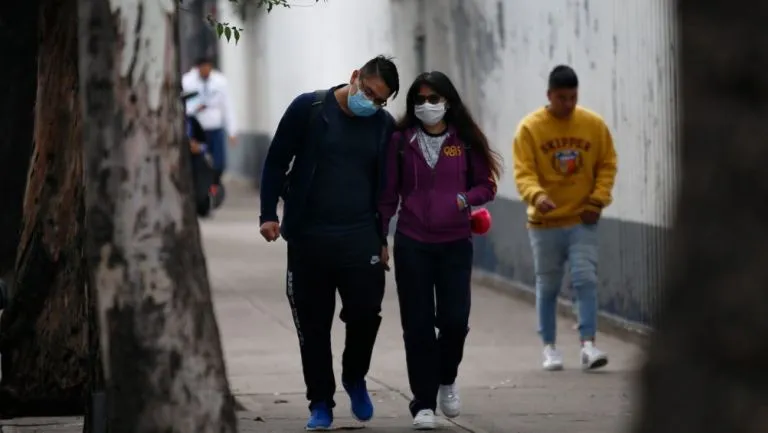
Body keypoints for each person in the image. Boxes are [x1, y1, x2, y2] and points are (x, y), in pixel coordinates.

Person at [258, 55, 399, 431]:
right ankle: (320, 401)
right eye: (368, 93)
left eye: (379, 100)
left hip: (360, 237)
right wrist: (268, 214)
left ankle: (355, 376)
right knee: (313, 325)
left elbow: (386, 186)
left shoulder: (382, 126)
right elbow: (275, 161)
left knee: (366, 314)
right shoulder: (310, 108)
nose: (370, 103)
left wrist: (382, 235)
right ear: (354, 77)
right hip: (309, 238)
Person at [379, 71, 502, 429]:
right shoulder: (401, 142)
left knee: (454, 322)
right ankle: (423, 404)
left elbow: (487, 186)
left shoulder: (463, 142)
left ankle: (447, 377)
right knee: (416, 327)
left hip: (454, 244)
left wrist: (465, 199)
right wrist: (380, 238)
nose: (427, 105)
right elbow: (387, 194)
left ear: (448, 101)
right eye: (420, 99)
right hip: (412, 242)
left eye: (434, 99)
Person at [512, 65, 618, 371]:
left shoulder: (593, 125)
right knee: (548, 285)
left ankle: (588, 345)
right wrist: (536, 195)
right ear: (549, 95)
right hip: (544, 224)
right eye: (562, 98)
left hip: (581, 219)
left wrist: (598, 200)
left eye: (573, 97)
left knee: (585, 278)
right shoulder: (530, 129)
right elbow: (524, 171)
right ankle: (550, 347)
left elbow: (607, 163)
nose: (568, 104)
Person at [181, 56, 237, 190]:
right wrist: (195, 108)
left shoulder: (220, 82)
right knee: (199, 161)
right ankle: (200, 188)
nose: (206, 71)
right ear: (197, 68)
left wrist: (232, 130)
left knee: (219, 163)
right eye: (203, 68)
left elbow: (227, 106)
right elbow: (184, 104)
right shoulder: (188, 81)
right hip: (197, 129)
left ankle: (214, 187)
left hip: (215, 128)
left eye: (208, 68)